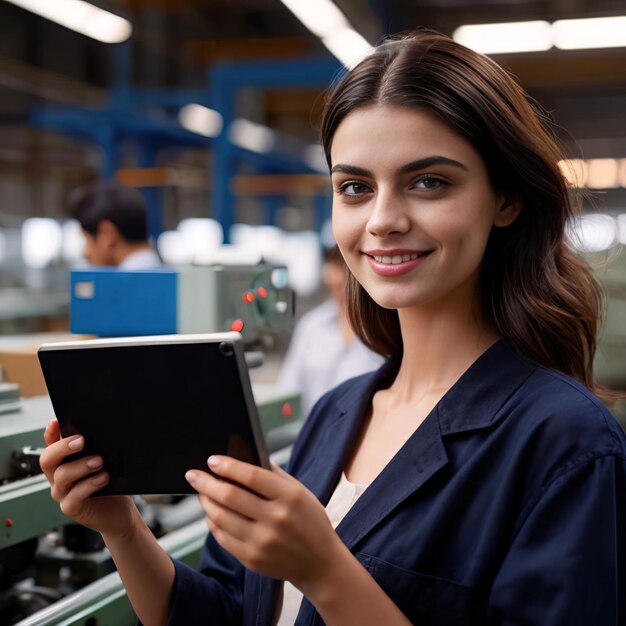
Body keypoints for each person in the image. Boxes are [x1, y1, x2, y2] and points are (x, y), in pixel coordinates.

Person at [40, 28, 626, 625]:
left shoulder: (567, 443)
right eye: (354, 187)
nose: (383, 220)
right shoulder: (339, 411)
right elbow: (227, 612)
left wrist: (325, 570)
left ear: (506, 199)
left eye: (429, 182)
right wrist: (122, 528)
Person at [277, 244, 384, 416]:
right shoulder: (311, 326)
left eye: (341, 268)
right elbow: (288, 389)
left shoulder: (384, 331)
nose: (332, 276)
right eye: (331, 266)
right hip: (313, 436)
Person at [69, 181, 162, 269]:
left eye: (86, 239)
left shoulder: (118, 285)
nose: (86, 253)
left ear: (108, 234)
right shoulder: (168, 278)